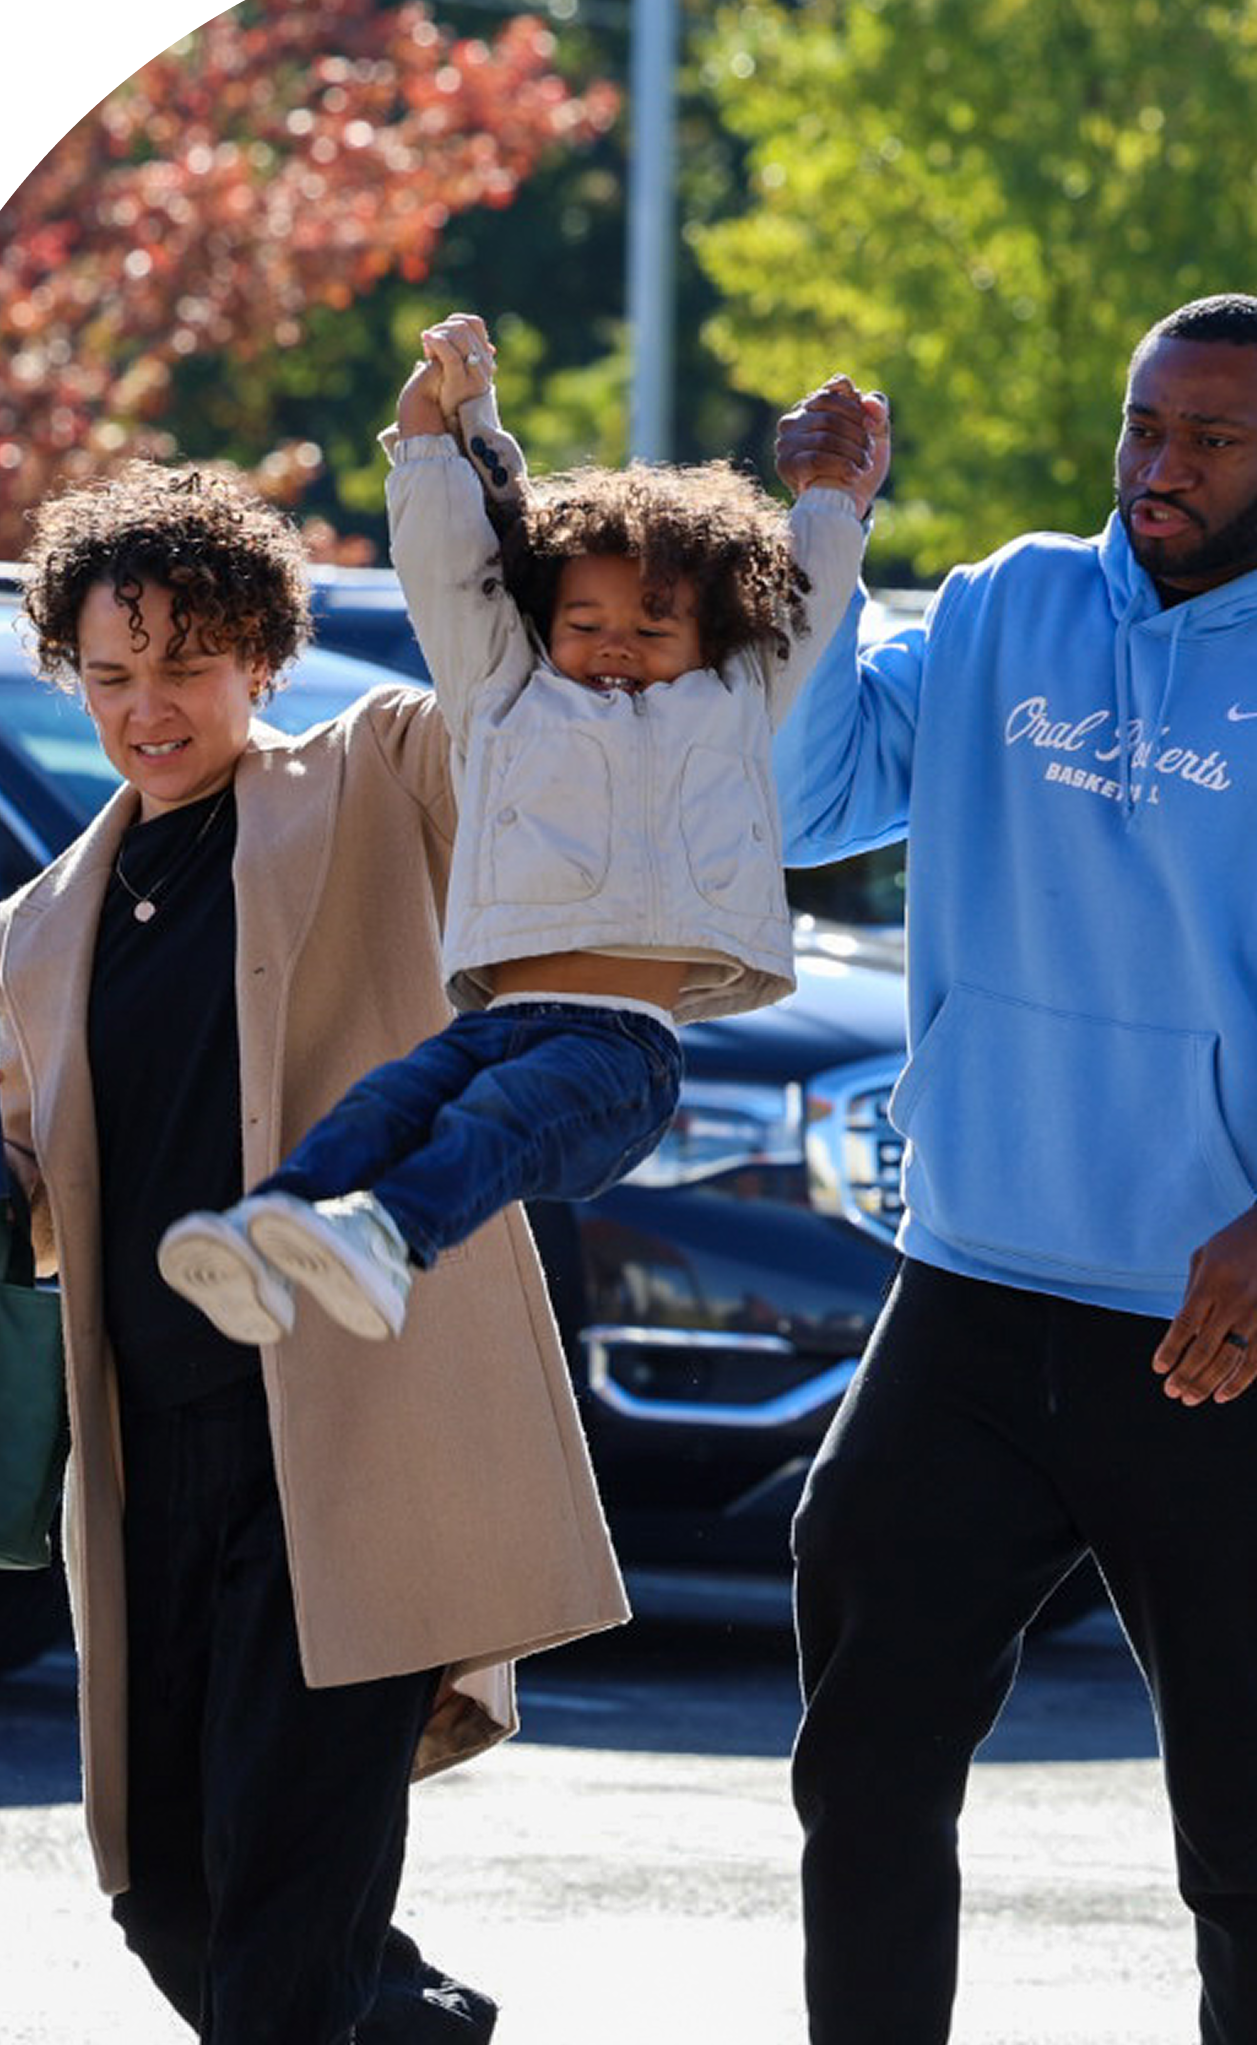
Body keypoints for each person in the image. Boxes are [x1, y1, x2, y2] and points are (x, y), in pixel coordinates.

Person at [694, 295, 1257, 2045]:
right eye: (1144, 425)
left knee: (1240, 1776)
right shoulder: (1008, 610)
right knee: (867, 1748)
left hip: (1239, 1327)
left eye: (1210, 437)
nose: (1161, 465)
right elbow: (803, 801)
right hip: (974, 1287)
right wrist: (829, 538)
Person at [0, 459, 630, 2045]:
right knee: (168, 1885)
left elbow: (505, 682)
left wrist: (469, 469)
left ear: (263, 657)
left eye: (189, 662)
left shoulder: (372, 787)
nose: (150, 705)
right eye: (112, 670)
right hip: (156, 1468)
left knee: (286, 1880)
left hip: (353, 1445)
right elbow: (22, 1212)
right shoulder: (38, 922)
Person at [155, 313, 869, 1346]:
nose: (614, 646)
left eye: (652, 628)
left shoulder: (733, 700)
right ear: (544, 621)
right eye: (584, 625)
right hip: (497, 1021)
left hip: (622, 1053)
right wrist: (434, 432)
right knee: (385, 1104)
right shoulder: (504, 697)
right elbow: (451, 569)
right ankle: (264, 1237)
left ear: (713, 635)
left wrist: (834, 496)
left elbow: (810, 592)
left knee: (494, 1118)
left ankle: (391, 1236)